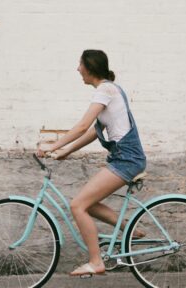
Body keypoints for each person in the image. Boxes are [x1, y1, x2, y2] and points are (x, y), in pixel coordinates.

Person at [37, 49, 146, 276]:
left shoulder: (105, 89)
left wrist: (52, 146)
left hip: (126, 159)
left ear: (90, 67)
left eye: (80, 65)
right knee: (89, 204)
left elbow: (81, 126)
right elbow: (94, 132)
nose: (78, 69)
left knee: (77, 205)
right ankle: (129, 228)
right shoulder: (109, 91)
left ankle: (96, 262)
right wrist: (66, 151)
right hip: (123, 158)